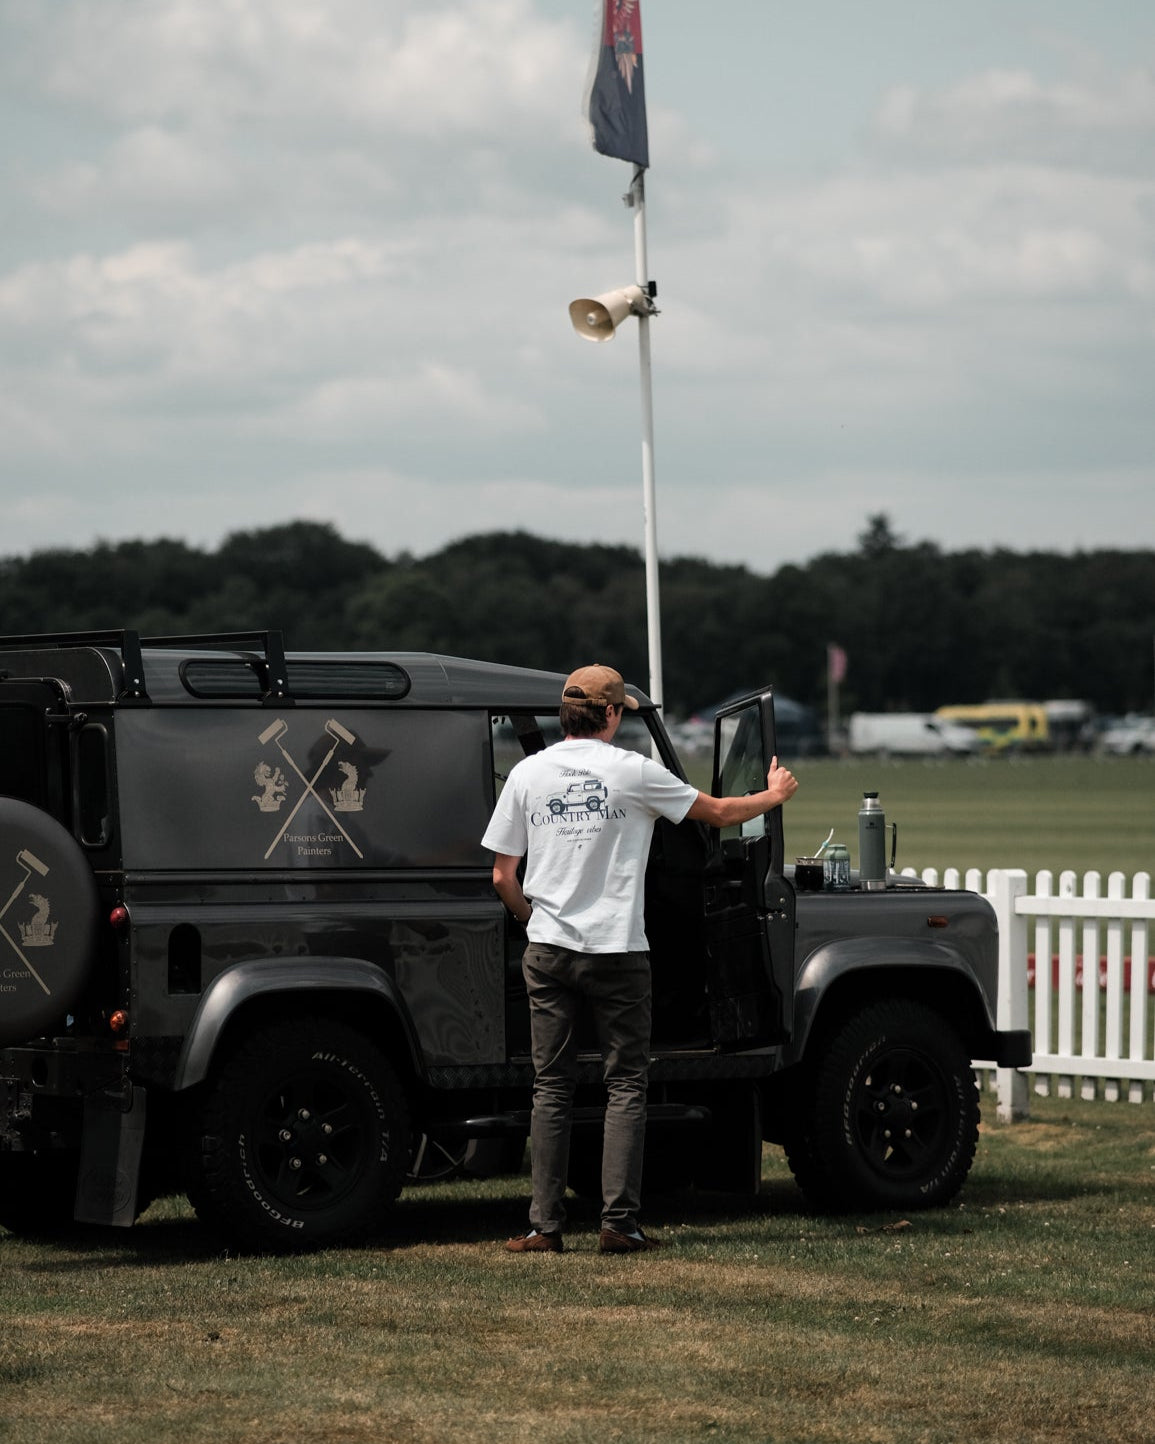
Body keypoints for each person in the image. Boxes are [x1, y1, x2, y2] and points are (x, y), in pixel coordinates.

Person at [481, 664, 798, 1255]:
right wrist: (773, 795)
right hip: (619, 950)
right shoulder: (633, 771)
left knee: (551, 1087)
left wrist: (534, 922)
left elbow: (502, 874)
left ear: (564, 713)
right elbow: (720, 814)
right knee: (624, 1083)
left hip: (549, 949)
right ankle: (618, 1224)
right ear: (612, 714)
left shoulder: (526, 774)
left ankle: (543, 1227)